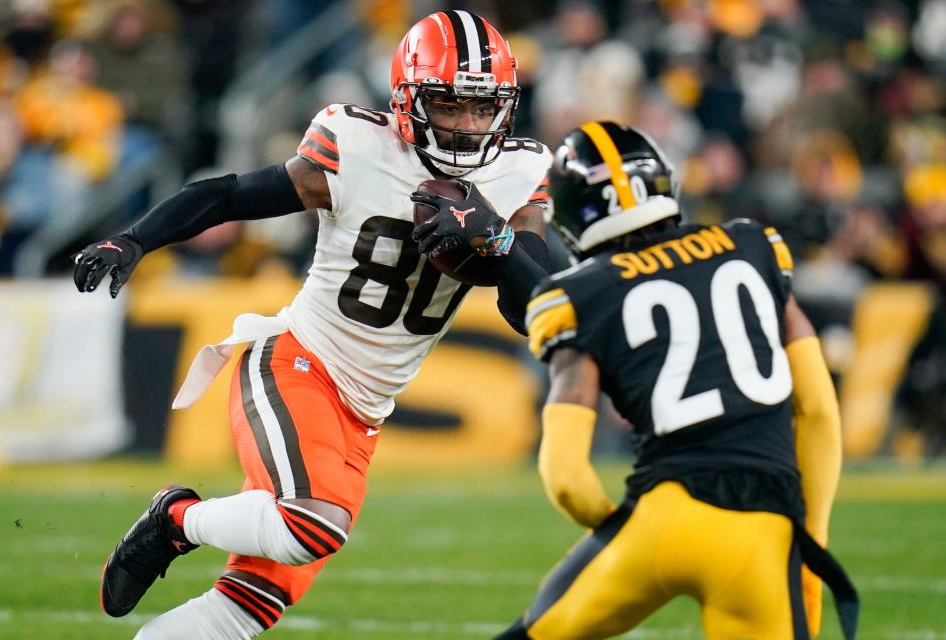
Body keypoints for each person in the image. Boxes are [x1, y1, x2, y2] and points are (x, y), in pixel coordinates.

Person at [72, 11, 552, 639]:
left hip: (366, 409)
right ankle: (176, 520)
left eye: (479, 108)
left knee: (247, 605)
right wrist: (134, 240)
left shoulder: (520, 169)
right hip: (298, 361)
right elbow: (229, 195)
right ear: (408, 100)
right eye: (447, 104)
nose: (465, 125)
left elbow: (534, 305)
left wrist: (497, 238)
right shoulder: (357, 145)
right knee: (314, 524)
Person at [495, 122, 858, 640]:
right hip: (764, 529)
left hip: (663, 515)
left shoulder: (576, 295)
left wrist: (620, 529)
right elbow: (817, 410)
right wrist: (807, 531)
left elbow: (568, 478)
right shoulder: (753, 246)